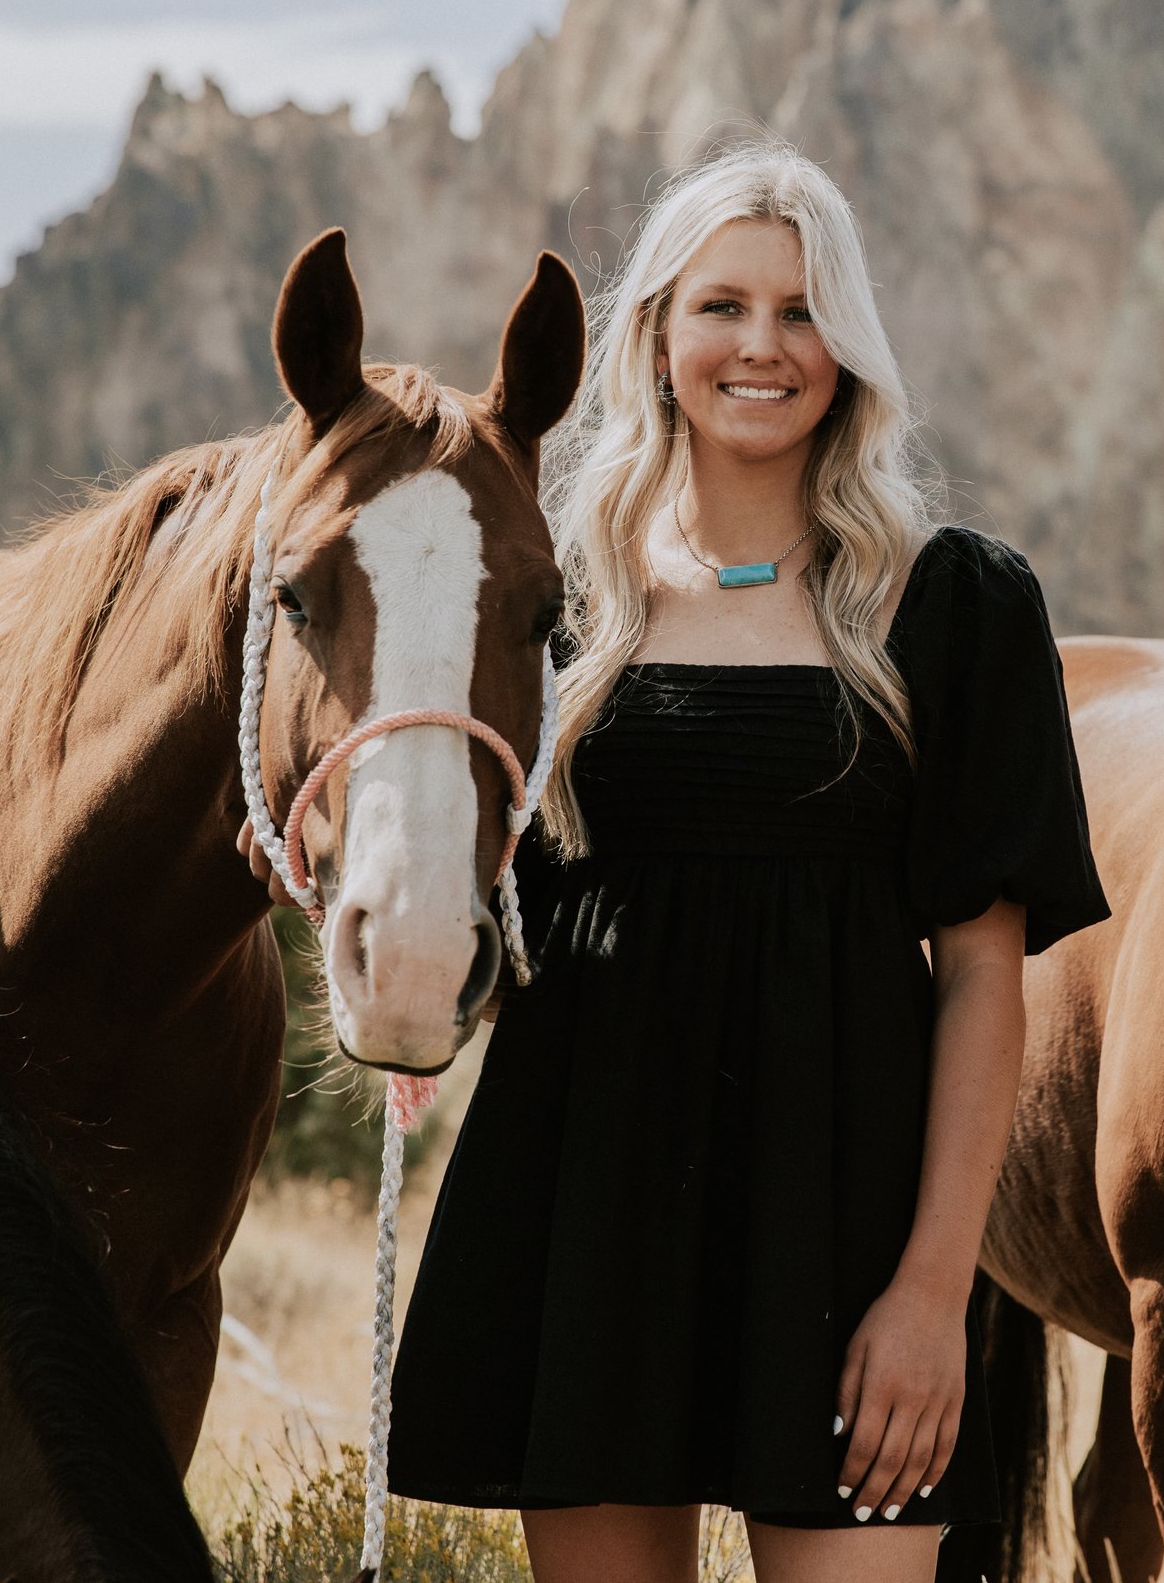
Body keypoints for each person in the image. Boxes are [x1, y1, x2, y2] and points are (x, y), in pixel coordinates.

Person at [389, 141, 1107, 1583]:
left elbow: (981, 980)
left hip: (844, 1221)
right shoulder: (557, 595)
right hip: (583, 1198)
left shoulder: (954, 601)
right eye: (722, 306)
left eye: (800, 311)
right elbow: (431, 845)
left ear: (846, 348)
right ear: (656, 336)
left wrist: (929, 1290)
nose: (761, 347)